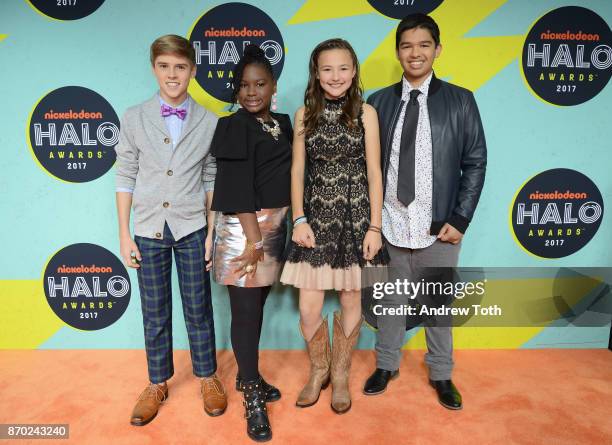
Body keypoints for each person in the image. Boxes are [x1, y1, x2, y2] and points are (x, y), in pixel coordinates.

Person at [363, 13, 487, 410]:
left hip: (439, 226)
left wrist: (461, 218)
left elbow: (476, 161)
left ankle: (442, 373)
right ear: (397, 51)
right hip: (391, 223)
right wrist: (373, 223)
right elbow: (368, 167)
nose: (414, 53)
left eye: (423, 45)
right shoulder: (377, 103)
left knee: (438, 307)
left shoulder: (461, 100)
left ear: (437, 49)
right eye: (406, 45)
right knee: (390, 302)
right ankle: (386, 365)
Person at [114, 34, 227, 426]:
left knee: (199, 309)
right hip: (147, 229)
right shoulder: (133, 117)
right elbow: (125, 174)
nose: (172, 74)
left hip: (193, 227)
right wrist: (124, 234)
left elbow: (212, 177)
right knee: (154, 311)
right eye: (164, 66)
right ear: (154, 69)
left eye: (180, 67)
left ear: (193, 71)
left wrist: (212, 230)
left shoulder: (210, 121)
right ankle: (157, 381)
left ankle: (208, 375)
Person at [281, 38, 387, 414]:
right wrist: (299, 219)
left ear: (354, 70)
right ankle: (318, 370)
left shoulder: (366, 112)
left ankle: (340, 374)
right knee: (309, 306)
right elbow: (297, 170)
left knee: (351, 298)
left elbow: (374, 173)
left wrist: (375, 227)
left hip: (356, 216)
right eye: (327, 69)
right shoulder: (302, 114)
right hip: (314, 216)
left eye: (343, 68)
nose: (335, 76)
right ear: (316, 73)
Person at [210, 44, 291, 442]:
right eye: (244, 85)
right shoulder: (234, 126)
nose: (252, 92)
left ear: (273, 85)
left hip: (274, 230)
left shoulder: (282, 123)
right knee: (244, 313)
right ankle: (252, 395)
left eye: (260, 83)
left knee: (256, 309)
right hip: (246, 233)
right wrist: (255, 241)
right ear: (236, 89)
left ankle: (248, 376)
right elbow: (236, 188)